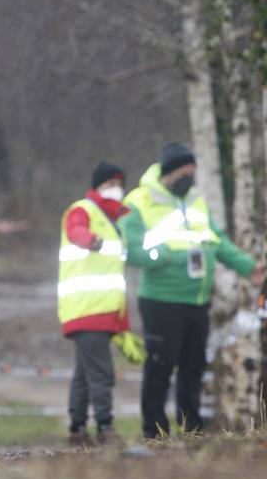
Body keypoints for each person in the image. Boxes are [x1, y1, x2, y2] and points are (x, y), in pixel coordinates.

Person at [119, 142, 265, 439]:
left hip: (197, 299)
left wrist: (248, 267)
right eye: (186, 172)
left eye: (194, 172)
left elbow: (217, 241)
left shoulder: (196, 201)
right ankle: (154, 430)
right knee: (160, 367)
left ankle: (192, 428)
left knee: (193, 368)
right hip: (161, 299)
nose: (191, 177)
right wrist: (166, 256)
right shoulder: (140, 202)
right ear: (171, 172)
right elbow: (130, 251)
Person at [58, 161, 144, 446]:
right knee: (102, 373)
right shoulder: (83, 209)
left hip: (103, 311)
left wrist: (123, 324)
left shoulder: (115, 222)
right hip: (87, 307)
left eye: (119, 185)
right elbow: (76, 231)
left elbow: (113, 278)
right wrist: (90, 241)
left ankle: (77, 430)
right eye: (109, 184)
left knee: (85, 374)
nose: (116, 190)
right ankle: (106, 430)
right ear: (96, 186)